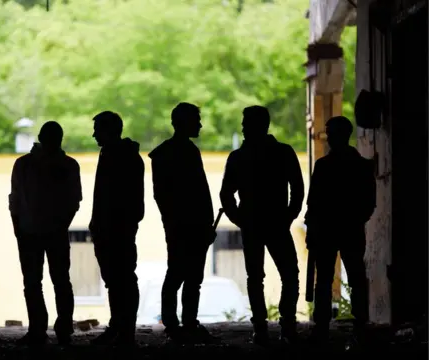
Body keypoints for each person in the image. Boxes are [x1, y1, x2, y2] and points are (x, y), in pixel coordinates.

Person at [220, 105, 304, 345]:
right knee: (289, 274)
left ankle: (260, 327)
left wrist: (239, 219)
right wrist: (288, 216)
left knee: (255, 277)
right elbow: (297, 189)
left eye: (246, 122)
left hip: (253, 225)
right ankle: (287, 325)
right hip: (277, 223)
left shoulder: (238, 157)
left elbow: (226, 195)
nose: (243, 127)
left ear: (258, 125)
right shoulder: (284, 153)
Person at [9, 121, 82, 346]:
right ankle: (63, 327)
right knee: (61, 281)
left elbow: (15, 200)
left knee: (33, 282)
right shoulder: (69, 166)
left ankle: (38, 330)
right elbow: (74, 201)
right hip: (55, 232)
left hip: (29, 232)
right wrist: (60, 225)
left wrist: (19, 229)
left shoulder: (23, 165)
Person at [305, 116, 375, 348]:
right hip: (351, 230)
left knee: (324, 279)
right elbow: (368, 203)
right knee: (355, 278)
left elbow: (313, 202)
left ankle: (323, 327)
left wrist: (313, 227)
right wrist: (354, 221)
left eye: (330, 133)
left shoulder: (324, 166)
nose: (330, 138)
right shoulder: (362, 166)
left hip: (327, 230)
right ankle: (360, 326)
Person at [149, 102, 215, 344]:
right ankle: (183, 323)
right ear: (184, 123)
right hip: (187, 224)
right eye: (196, 121)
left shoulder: (165, 153)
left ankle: (176, 323)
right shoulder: (185, 152)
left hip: (181, 224)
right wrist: (202, 223)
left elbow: (165, 195)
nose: (199, 125)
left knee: (180, 274)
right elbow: (197, 192)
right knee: (186, 276)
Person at [88, 111, 145, 347]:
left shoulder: (119, 157)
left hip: (116, 230)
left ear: (109, 131)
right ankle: (121, 328)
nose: (93, 135)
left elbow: (118, 200)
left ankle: (124, 331)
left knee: (121, 280)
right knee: (118, 280)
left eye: (97, 130)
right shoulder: (120, 155)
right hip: (114, 229)